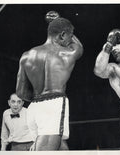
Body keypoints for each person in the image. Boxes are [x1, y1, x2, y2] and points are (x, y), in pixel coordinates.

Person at [15, 13, 83, 151]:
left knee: (61, 147)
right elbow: (79, 47)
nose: (70, 40)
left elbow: (21, 93)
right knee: (47, 150)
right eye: (70, 36)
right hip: (54, 104)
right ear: (63, 35)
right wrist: (57, 19)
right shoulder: (66, 54)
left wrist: (39, 97)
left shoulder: (26, 55)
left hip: (33, 108)